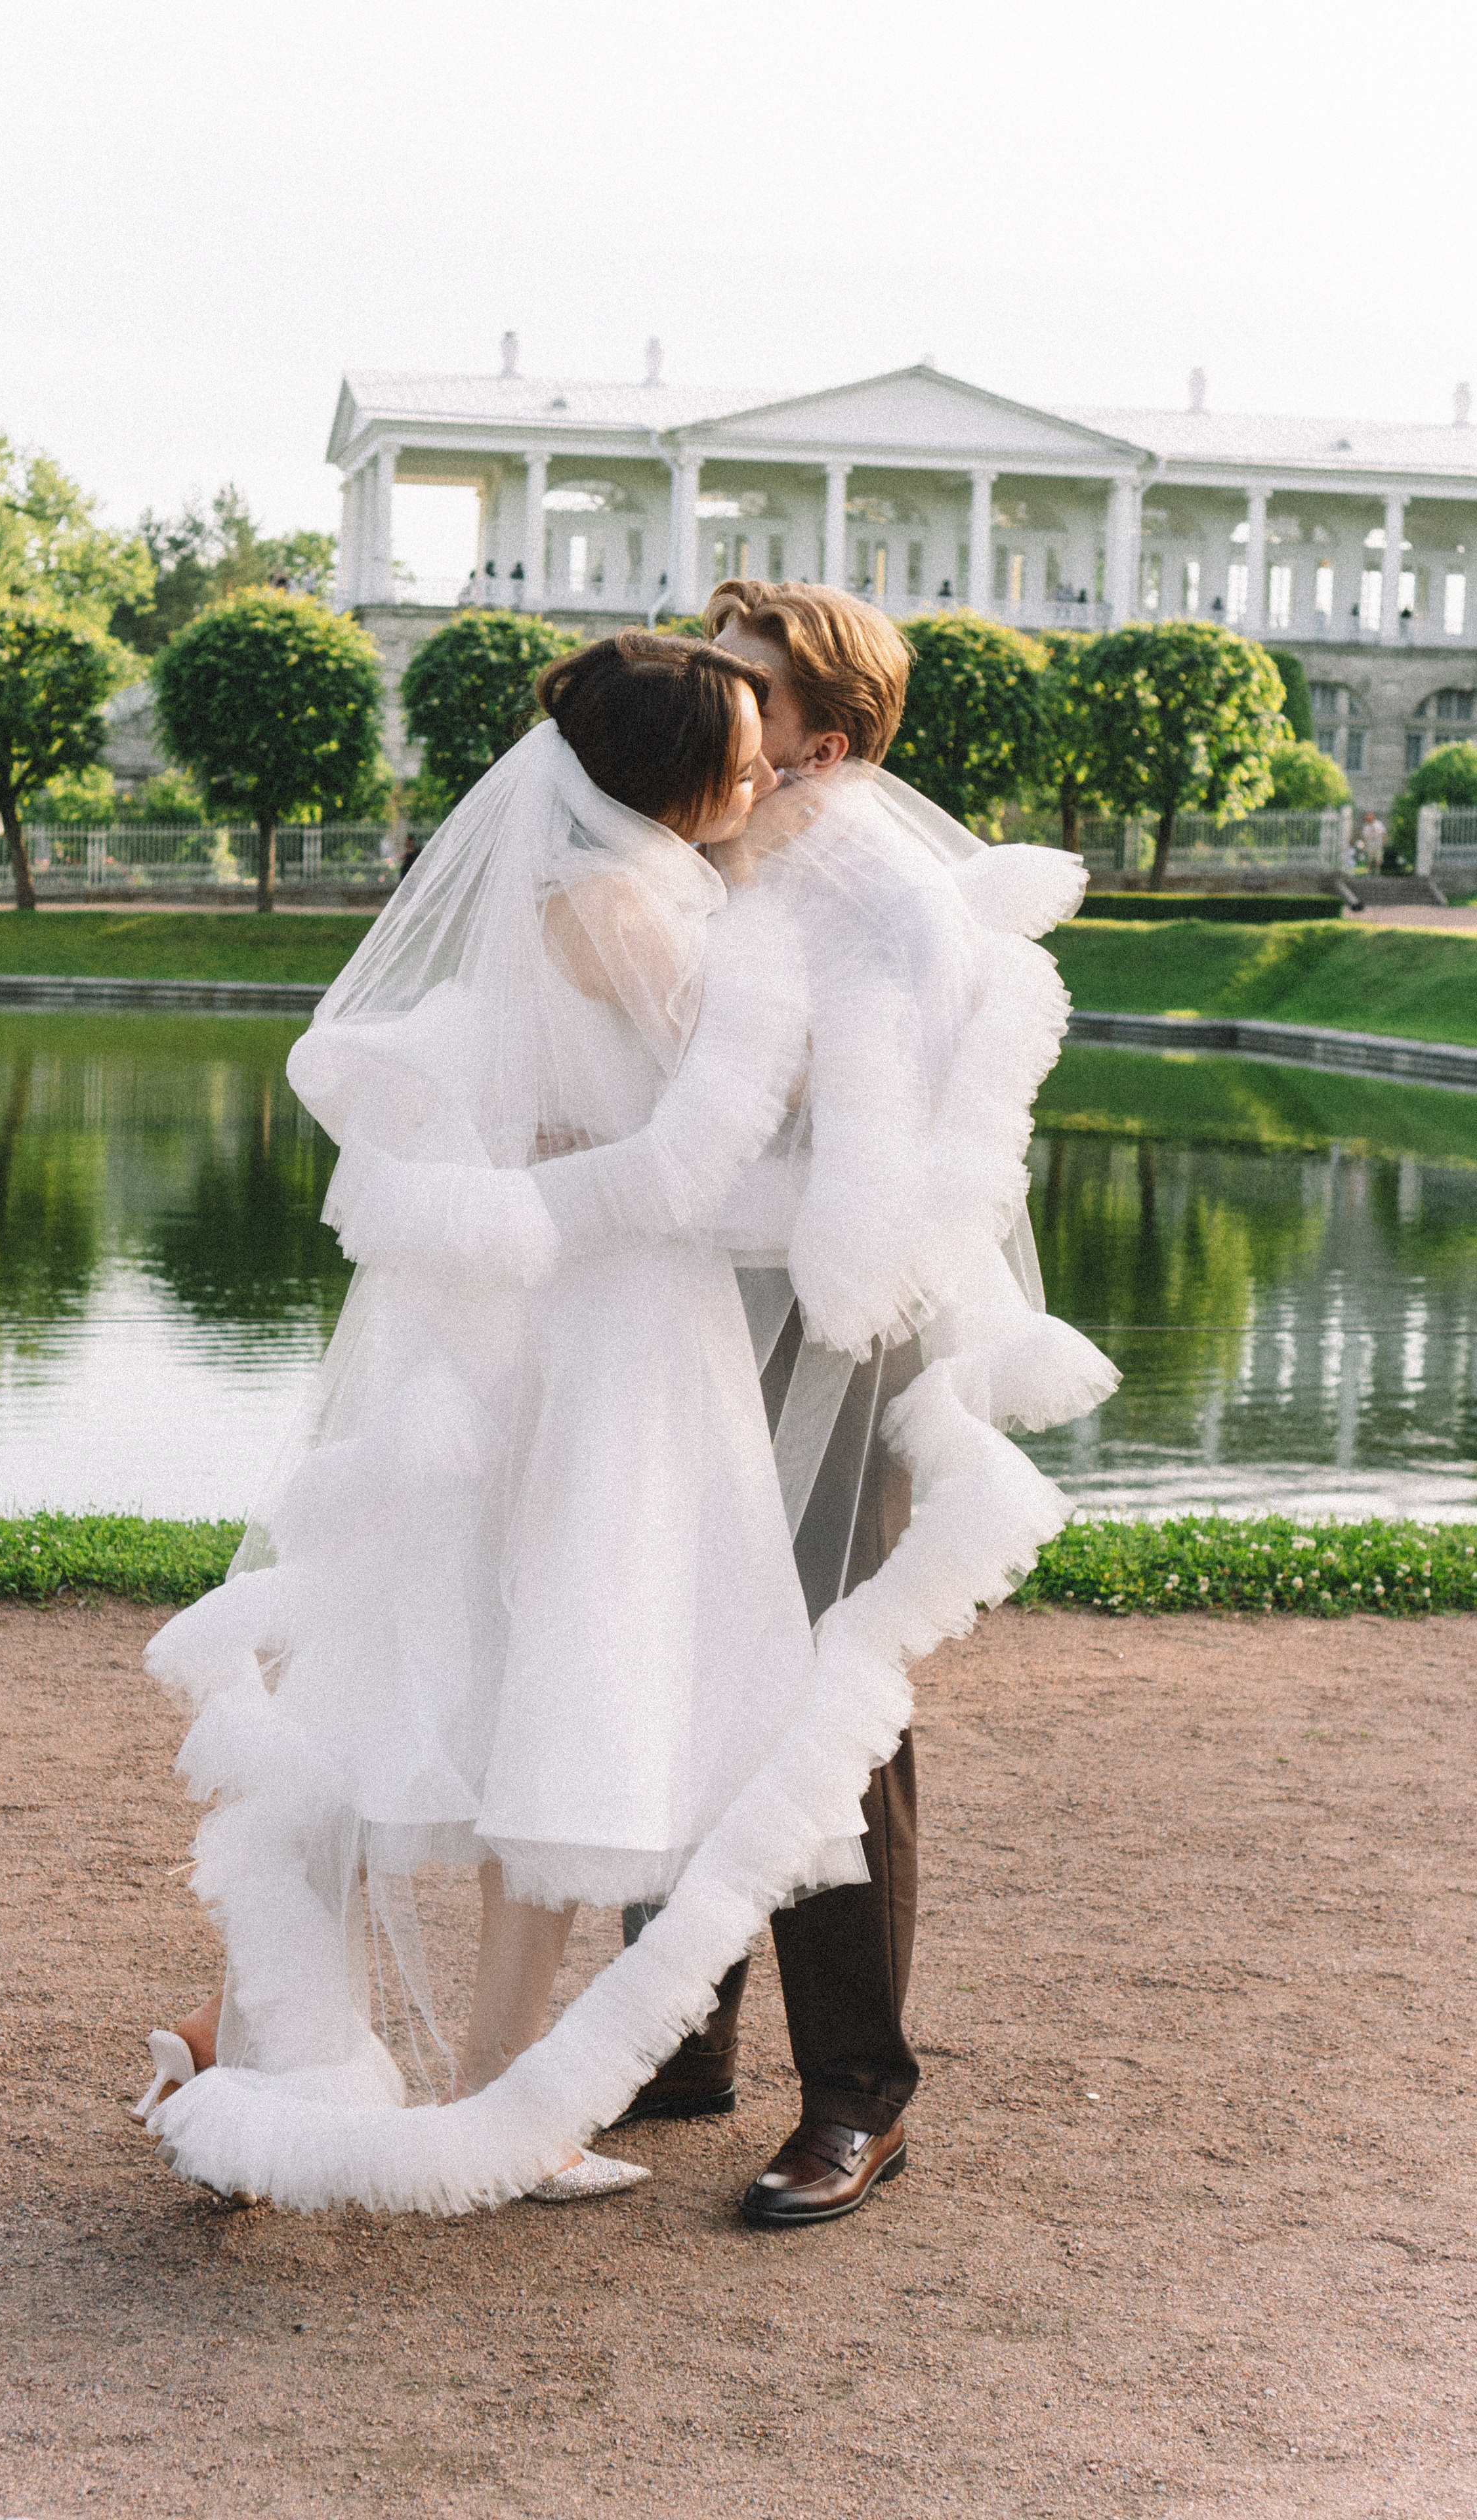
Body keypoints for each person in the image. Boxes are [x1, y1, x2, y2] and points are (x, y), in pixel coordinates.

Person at [135, 630, 877, 2211]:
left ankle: (369, 2068)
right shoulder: (622, 908)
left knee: (522, 1695)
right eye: (739, 750)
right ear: (676, 773)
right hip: (600, 1337)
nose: (762, 770)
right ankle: (446, 2091)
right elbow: (740, 1115)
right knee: (550, 1689)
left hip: (580, 1317)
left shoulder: (616, 886)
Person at [611, 580, 1117, 2228]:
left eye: (740, 681)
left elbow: (894, 1170)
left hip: (832, 1329)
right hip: (684, 1312)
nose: (707, 694)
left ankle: (855, 2097)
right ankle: (674, 2033)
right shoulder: (697, 849)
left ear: (823, 739)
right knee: (667, 1659)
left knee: (826, 1695)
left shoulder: (884, 901)